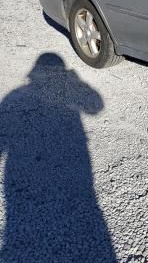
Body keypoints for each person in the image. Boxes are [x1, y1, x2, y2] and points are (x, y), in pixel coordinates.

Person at [0, 53, 116, 262]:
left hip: (21, 182)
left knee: (18, 225)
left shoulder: (14, 95)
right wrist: (76, 82)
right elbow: (96, 105)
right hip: (74, 172)